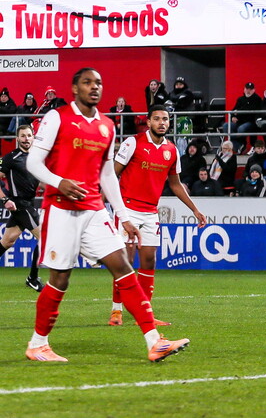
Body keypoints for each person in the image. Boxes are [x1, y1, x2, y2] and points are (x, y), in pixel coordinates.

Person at [23, 68, 189, 362]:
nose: (94, 87)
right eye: (87, 82)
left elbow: (107, 177)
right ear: (75, 88)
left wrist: (123, 216)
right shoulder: (57, 117)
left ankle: (154, 341)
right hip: (60, 208)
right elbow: (33, 162)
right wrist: (58, 180)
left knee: (123, 266)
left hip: (94, 210)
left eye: (98, 83)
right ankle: (38, 344)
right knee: (60, 279)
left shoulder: (107, 126)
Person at [109, 104, 207, 327]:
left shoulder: (171, 151)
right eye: (157, 119)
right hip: (128, 208)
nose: (162, 122)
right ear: (148, 121)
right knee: (126, 260)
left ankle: (145, 313)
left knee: (149, 260)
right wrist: (116, 206)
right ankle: (116, 310)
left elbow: (176, 184)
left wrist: (194, 209)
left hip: (150, 211)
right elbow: (112, 174)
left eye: (165, 119)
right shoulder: (132, 142)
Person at [0, 125, 45, 292]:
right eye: (23, 136)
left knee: (8, 241)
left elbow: (39, 181)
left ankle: (32, 278)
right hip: (19, 204)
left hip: (29, 203)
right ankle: (32, 278)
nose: (26, 139)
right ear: (17, 139)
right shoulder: (10, 158)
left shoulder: (35, 158)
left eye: (29, 135)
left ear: (33, 137)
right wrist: (5, 199)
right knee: (45, 238)